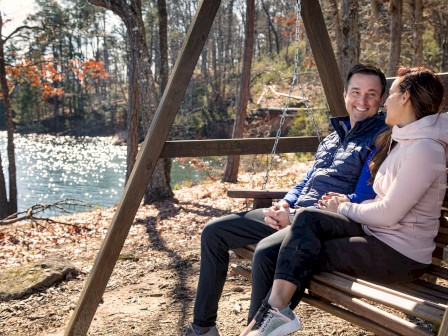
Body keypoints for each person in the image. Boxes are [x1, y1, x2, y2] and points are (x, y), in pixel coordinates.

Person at [181, 63, 388, 336]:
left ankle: (256, 332)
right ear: (344, 94)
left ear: (382, 99)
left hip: (325, 224)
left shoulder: (380, 138)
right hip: (296, 212)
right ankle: (203, 328)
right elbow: (307, 179)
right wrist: (286, 203)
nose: (362, 101)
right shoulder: (330, 139)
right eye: (356, 92)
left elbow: (363, 196)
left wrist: (294, 217)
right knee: (214, 232)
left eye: (371, 94)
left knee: (267, 250)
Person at [240, 66, 447, 336]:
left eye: (392, 93)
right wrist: (338, 205)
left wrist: (344, 207)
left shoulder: (425, 149)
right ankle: (274, 315)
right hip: (376, 238)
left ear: (406, 97)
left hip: (400, 256)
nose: (385, 102)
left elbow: (387, 214)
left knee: (289, 253)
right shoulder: (405, 140)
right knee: (307, 220)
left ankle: (271, 316)